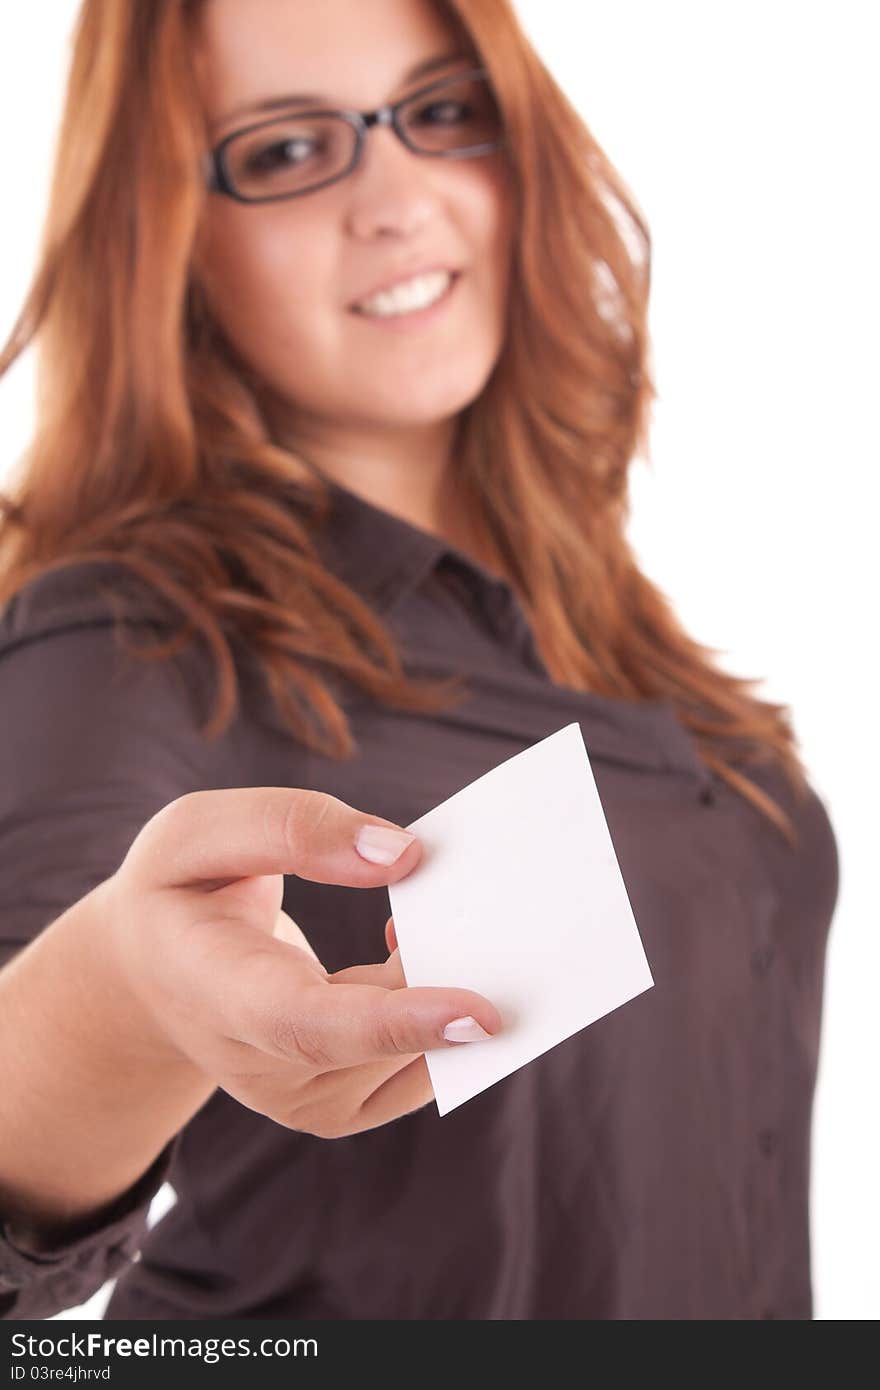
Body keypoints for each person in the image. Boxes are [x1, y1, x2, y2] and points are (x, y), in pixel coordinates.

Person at [0, 0, 838, 1322]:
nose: (395, 202)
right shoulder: (131, 639)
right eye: (285, 152)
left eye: (441, 113)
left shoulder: (625, 639)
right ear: (167, 232)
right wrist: (122, 980)